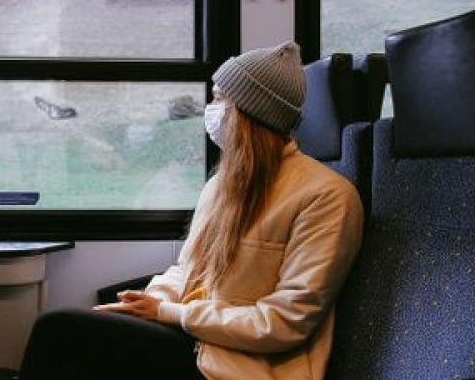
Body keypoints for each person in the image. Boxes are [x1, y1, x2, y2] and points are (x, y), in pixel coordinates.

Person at [19, 41, 364, 380]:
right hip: (197, 341)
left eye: (219, 99)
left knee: (60, 330)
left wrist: (169, 312)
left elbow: (284, 323)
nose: (211, 110)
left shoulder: (326, 197)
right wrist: (146, 303)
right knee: (81, 337)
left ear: (248, 113)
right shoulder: (222, 186)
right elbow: (187, 271)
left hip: (242, 364)